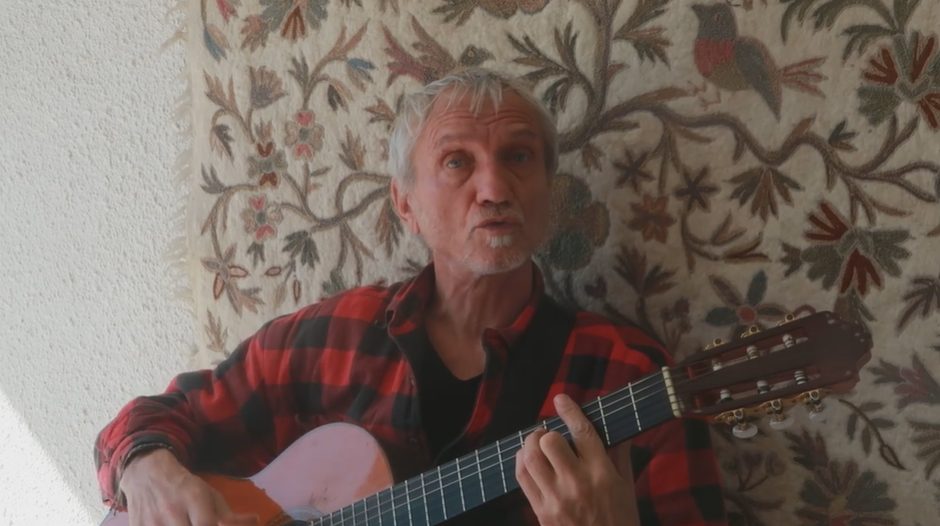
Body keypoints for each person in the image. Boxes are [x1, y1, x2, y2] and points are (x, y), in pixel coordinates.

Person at [94, 67, 728, 526]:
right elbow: (153, 419)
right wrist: (147, 470)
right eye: (457, 162)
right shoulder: (329, 338)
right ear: (405, 205)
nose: (494, 188)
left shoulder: (630, 374)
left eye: (518, 157)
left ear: (546, 191)